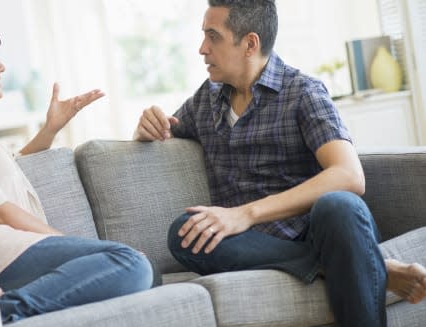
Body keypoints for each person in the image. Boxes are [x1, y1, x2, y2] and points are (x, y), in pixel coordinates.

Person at [133, 1, 426, 326]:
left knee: (340, 206)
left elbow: (349, 175)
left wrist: (245, 214)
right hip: (252, 244)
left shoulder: (303, 92)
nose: (202, 49)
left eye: (213, 37)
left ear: (250, 43)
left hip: (318, 231)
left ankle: (348, 256)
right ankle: (364, 264)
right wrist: (146, 127)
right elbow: (166, 130)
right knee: (183, 233)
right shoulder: (206, 99)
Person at [0, 13, 153, 323]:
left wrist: (50, 129)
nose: (1, 66)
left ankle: (2, 306)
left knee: (138, 270)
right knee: (128, 262)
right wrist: (65, 242)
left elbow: (8, 167)